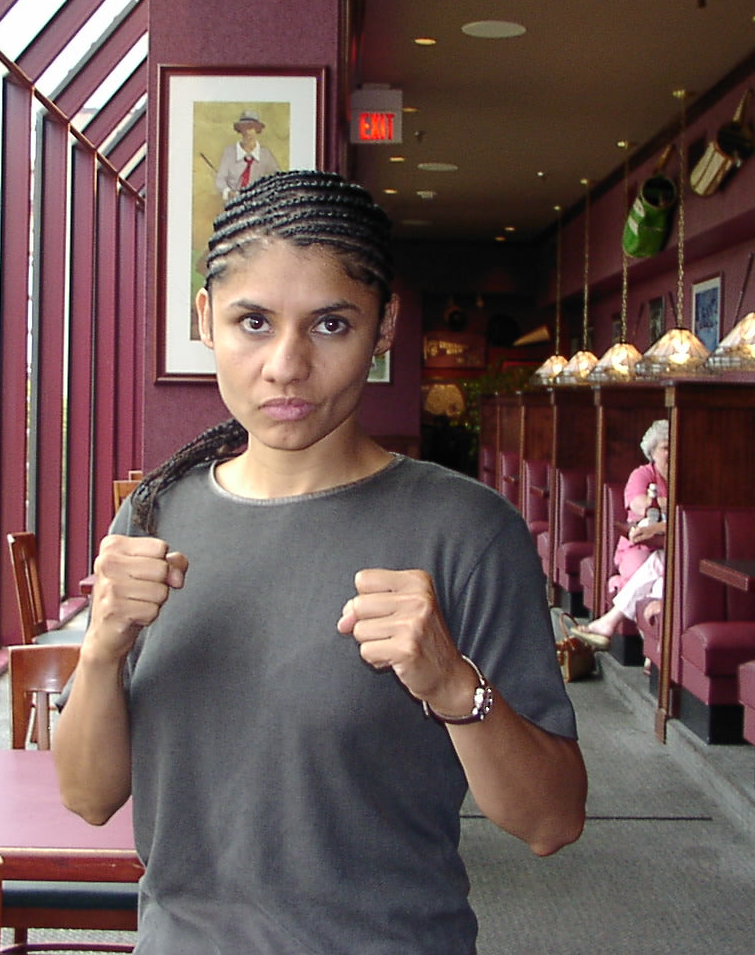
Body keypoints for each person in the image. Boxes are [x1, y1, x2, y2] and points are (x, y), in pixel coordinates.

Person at [54, 170, 587, 954]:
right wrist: (101, 651)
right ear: (206, 319)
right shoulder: (155, 515)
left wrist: (451, 682)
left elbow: (552, 821)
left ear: (384, 326)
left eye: (331, 325)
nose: (287, 365)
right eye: (253, 322)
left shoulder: (468, 531)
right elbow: (87, 796)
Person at [570, 419, 668, 650]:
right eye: (666, 447)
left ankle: (641, 646)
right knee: (642, 572)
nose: (672, 452)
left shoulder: (687, 478)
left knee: (660, 579)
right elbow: (640, 505)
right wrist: (675, 507)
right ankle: (652, 653)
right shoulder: (643, 475)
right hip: (638, 545)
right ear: (652, 451)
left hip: (666, 548)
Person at [213, 109, 282, 201]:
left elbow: (277, 180)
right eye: (244, 128)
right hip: (234, 205)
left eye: (252, 128)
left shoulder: (266, 155)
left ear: (257, 129)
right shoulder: (229, 153)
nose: (248, 132)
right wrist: (229, 192)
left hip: (258, 206)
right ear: (240, 130)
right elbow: (220, 180)